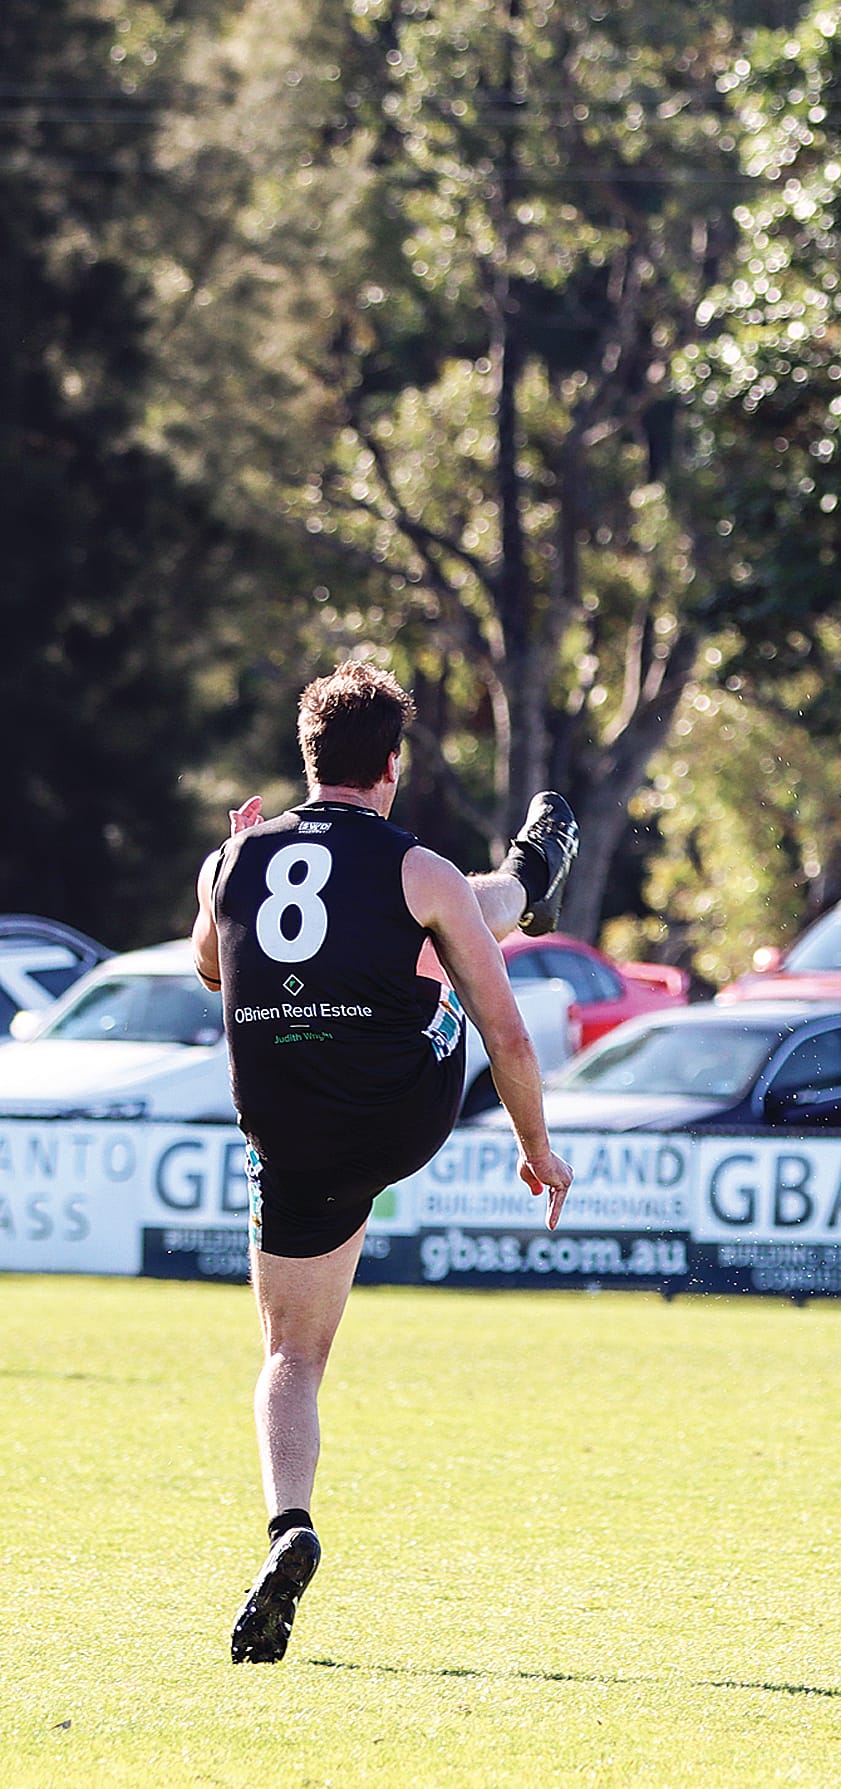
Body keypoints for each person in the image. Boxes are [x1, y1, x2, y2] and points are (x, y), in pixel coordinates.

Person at [190, 660, 582, 1662]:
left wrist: (237, 854)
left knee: (289, 1358)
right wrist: (537, 1151)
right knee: (447, 942)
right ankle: (529, 877)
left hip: (285, 1127)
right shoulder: (417, 867)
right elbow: (511, 1034)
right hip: (399, 1111)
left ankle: (290, 1523)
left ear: (307, 758)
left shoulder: (227, 862)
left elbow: (207, 962)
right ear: (392, 768)